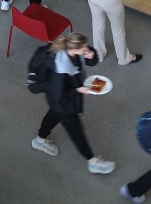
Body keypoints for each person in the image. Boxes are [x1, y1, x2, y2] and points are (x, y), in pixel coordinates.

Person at [30, 32, 115, 175]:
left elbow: (90, 61)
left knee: (53, 115)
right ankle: (92, 162)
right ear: (75, 50)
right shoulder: (60, 68)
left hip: (59, 101)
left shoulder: (72, 51)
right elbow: (59, 95)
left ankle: (39, 139)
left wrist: (91, 55)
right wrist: (78, 90)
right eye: (84, 49)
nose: (86, 50)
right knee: (77, 132)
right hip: (63, 103)